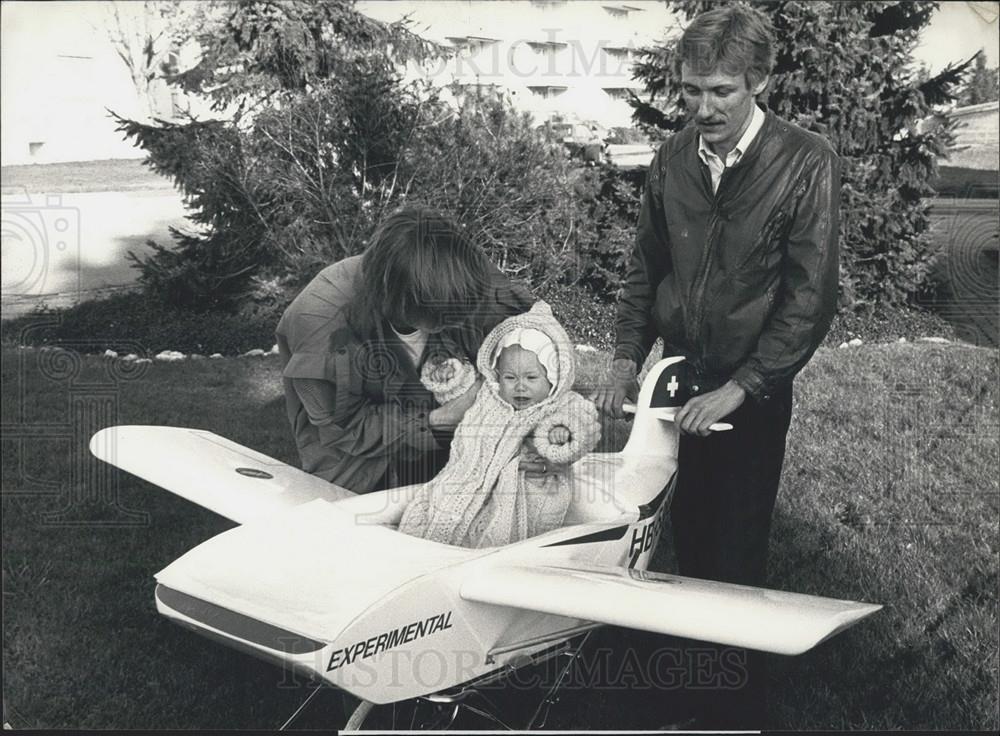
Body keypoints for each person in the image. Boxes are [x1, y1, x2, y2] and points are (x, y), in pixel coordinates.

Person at [593, 4, 840, 729]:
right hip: (672, 381)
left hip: (748, 389)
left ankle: (732, 713)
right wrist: (621, 358)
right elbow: (646, 269)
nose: (703, 107)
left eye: (722, 92)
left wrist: (742, 387)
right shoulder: (673, 158)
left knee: (733, 555)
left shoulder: (806, 161)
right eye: (691, 90)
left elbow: (809, 297)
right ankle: (680, 695)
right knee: (667, 541)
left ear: (758, 81)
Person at [275, 205, 535, 493]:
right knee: (347, 511)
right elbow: (343, 426)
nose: (459, 321)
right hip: (348, 440)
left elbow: (523, 326)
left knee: (453, 496)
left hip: (430, 403)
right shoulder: (319, 321)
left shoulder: (455, 270)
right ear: (396, 297)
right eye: (445, 314)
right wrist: (439, 420)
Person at [397, 301, 601, 547]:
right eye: (510, 377)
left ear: (555, 377)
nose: (520, 386)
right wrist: (450, 378)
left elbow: (582, 425)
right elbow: (461, 390)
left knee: (502, 536)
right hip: (469, 479)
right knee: (438, 514)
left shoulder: (562, 404)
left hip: (523, 495)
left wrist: (561, 432)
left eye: (531, 377)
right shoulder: (490, 397)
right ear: (497, 375)